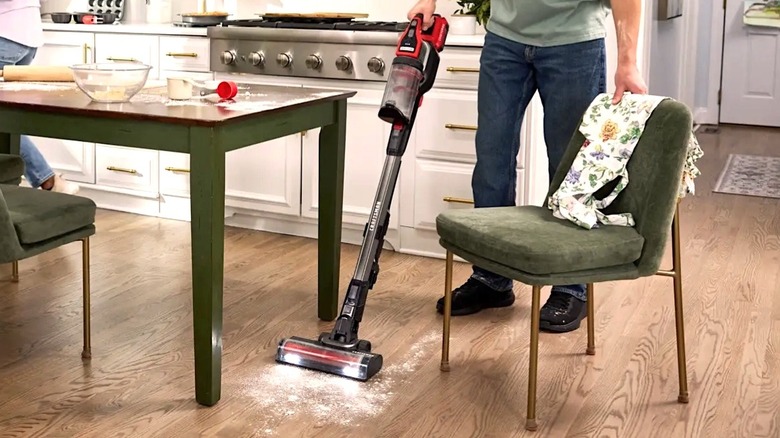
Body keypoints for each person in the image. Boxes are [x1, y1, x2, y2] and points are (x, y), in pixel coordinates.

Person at [408, 0, 648, 332]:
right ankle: (491, 278)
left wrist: (627, 61)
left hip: (574, 43)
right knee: (491, 163)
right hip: (504, 39)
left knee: (570, 171)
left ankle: (571, 287)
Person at [0, 0, 80, 194]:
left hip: (5, 36)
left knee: (3, 119)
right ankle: (41, 182)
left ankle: (47, 179)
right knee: (5, 118)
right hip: (27, 37)